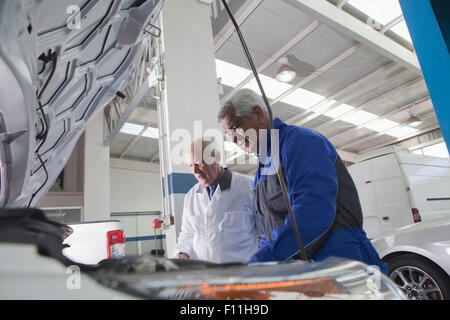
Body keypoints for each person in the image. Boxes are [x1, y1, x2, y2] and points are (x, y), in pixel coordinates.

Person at [218, 88, 387, 274]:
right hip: (306, 274)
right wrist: (263, 265)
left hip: (344, 267)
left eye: (235, 128)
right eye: (228, 135)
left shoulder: (301, 142)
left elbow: (313, 212)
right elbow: (267, 232)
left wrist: (262, 263)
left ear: (258, 113)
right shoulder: (261, 171)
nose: (234, 140)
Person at [173, 138, 259, 264]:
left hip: (241, 273)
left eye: (198, 162)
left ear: (216, 157)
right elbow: (187, 233)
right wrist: (182, 253)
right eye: (191, 165)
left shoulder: (248, 187)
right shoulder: (191, 196)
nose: (195, 171)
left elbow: (267, 232)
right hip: (204, 274)